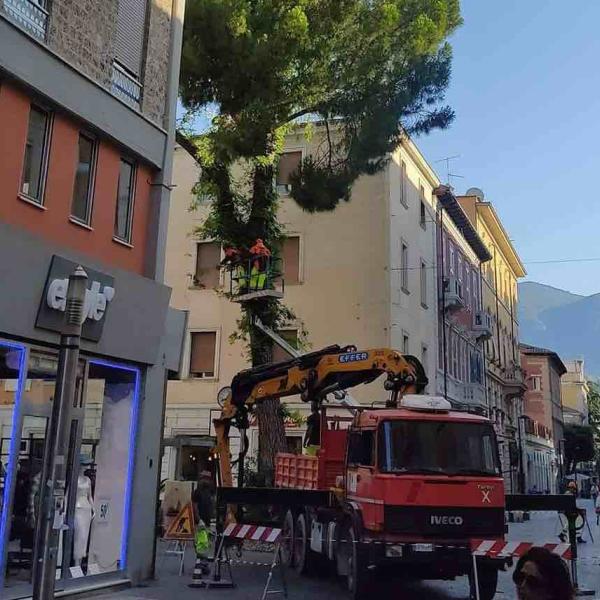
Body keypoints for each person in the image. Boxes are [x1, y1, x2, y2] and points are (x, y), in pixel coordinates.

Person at [192, 471, 215, 576]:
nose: (206, 481)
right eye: (204, 478)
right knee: (202, 543)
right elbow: (195, 507)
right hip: (200, 521)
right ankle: (201, 564)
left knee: (205, 543)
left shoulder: (209, 491)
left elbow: (211, 505)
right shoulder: (197, 492)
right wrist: (198, 519)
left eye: (207, 479)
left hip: (207, 521)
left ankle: (203, 563)